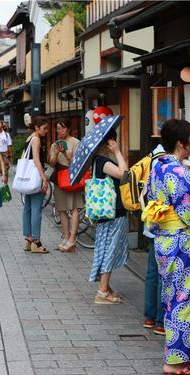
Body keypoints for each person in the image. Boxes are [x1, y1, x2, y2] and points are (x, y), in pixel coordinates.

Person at [143, 118, 190, 375]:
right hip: (179, 241)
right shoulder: (179, 172)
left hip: (163, 240)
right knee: (183, 300)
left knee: (172, 297)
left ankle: (183, 357)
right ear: (181, 143)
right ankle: (175, 362)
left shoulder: (157, 166)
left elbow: (150, 196)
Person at [88, 128, 129, 303]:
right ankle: (103, 291)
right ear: (110, 141)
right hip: (114, 213)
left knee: (105, 248)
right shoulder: (103, 161)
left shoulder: (96, 161)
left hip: (106, 213)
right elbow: (124, 174)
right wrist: (118, 152)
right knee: (110, 250)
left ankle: (106, 287)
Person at [143, 137, 166, 336]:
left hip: (151, 219)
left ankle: (150, 317)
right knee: (161, 273)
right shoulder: (166, 162)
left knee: (152, 271)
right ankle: (160, 320)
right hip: (164, 224)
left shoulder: (151, 157)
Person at [49, 120, 84, 252]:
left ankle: (72, 239)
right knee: (61, 208)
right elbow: (52, 163)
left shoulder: (76, 142)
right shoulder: (55, 144)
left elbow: (77, 162)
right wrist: (57, 153)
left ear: (68, 129)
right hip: (59, 177)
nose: (60, 131)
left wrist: (64, 153)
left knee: (74, 207)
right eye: (58, 129)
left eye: (62, 128)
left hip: (72, 177)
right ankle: (66, 237)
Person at [21, 116, 50, 253]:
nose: (46, 131)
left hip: (28, 178)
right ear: (37, 128)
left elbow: (23, 157)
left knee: (28, 208)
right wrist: (43, 177)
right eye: (44, 128)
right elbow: (37, 160)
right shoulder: (37, 139)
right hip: (35, 177)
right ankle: (36, 242)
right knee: (36, 209)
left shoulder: (29, 138)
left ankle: (27, 239)